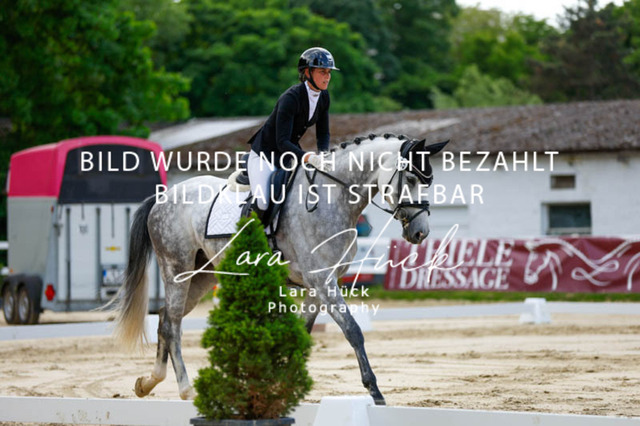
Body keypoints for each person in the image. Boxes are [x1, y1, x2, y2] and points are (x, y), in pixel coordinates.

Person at [245, 47, 339, 218]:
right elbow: (282, 141)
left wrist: (323, 154)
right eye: (322, 72)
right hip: (265, 155)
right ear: (307, 72)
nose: (327, 77)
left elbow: (323, 133)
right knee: (262, 201)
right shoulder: (291, 98)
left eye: (329, 72)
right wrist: (308, 157)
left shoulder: (324, 97)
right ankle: (248, 230)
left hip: (289, 155)